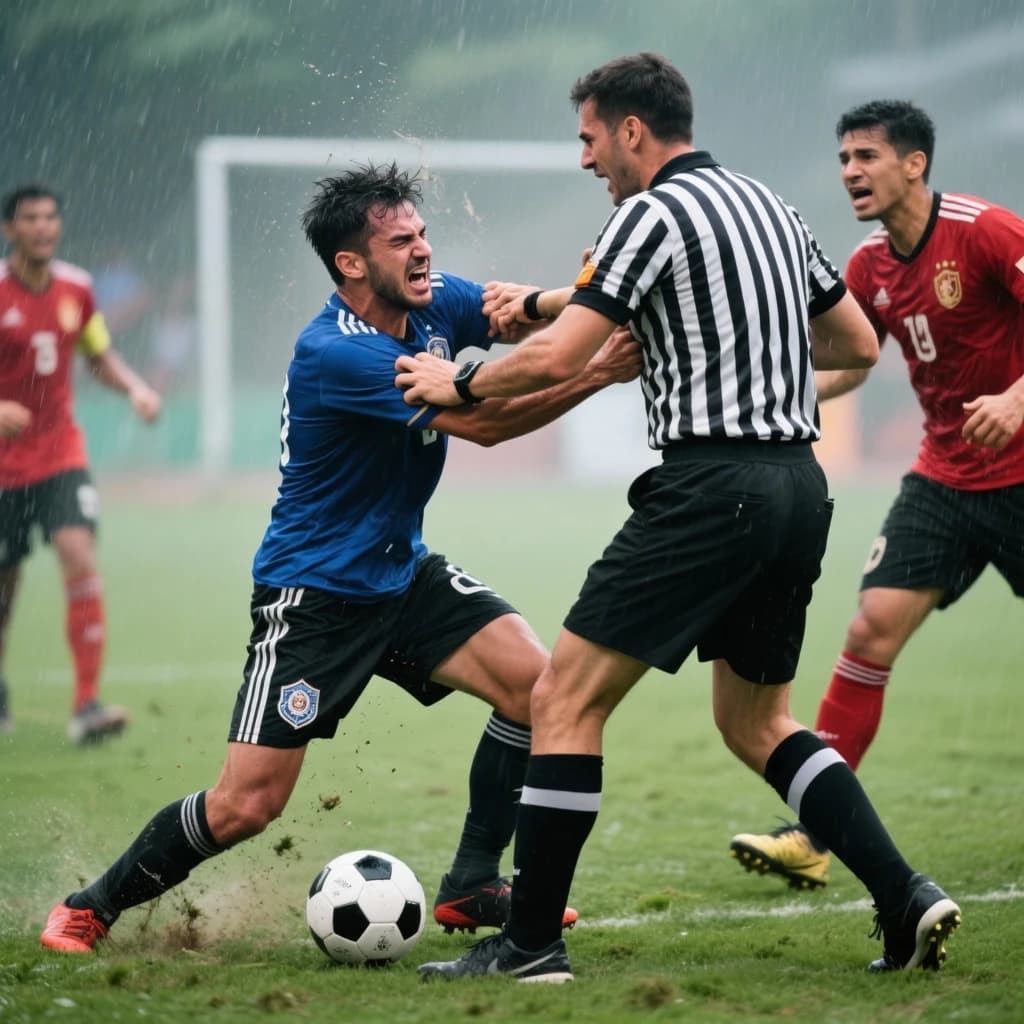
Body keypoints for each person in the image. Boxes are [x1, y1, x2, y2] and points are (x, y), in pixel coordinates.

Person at [398, 53, 961, 981]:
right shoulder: (768, 205)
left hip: (711, 490)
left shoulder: (647, 213)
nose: (585, 160)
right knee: (760, 724)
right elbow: (857, 343)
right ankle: (905, 896)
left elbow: (559, 356)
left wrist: (453, 376)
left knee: (562, 699)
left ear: (631, 131)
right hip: (798, 487)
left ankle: (531, 945)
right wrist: (755, 368)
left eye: (588, 139)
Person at [39, 162, 640, 953]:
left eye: (423, 233)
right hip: (315, 596)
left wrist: (601, 294)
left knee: (541, 690)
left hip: (404, 572)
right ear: (352, 263)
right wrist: (600, 369)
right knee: (246, 805)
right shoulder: (337, 353)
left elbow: (511, 308)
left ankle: (469, 884)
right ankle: (90, 905)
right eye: (401, 241)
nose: (423, 250)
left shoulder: (431, 304)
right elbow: (487, 425)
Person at [729, 100, 1024, 889]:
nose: (851, 172)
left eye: (865, 156)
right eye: (843, 160)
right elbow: (856, 364)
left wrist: (1018, 399)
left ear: (914, 164)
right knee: (870, 631)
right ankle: (818, 832)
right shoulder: (867, 265)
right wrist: (776, 396)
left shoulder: (986, 229)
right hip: (944, 479)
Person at [0, 185, 162, 743]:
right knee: (5, 584)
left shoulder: (77, 288)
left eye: (50, 217)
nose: (43, 226)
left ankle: (87, 705)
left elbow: (97, 354)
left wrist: (136, 388)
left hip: (61, 454)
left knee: (78, 554)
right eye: (30, 218)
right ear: (9, 229)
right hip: (2, 468)